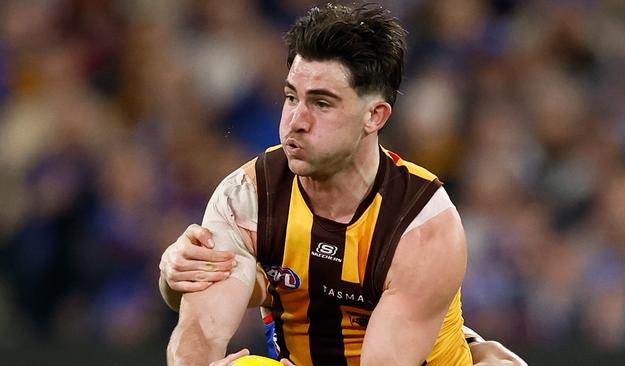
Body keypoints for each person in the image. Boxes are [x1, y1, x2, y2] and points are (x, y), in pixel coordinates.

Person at [160, 4, 527, 366]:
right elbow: (199, 337)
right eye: (291, 97)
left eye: (321, 103)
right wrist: (178, 279)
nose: (296, 121)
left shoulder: (421, 226)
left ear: (374, 116)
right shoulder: (248, 197)